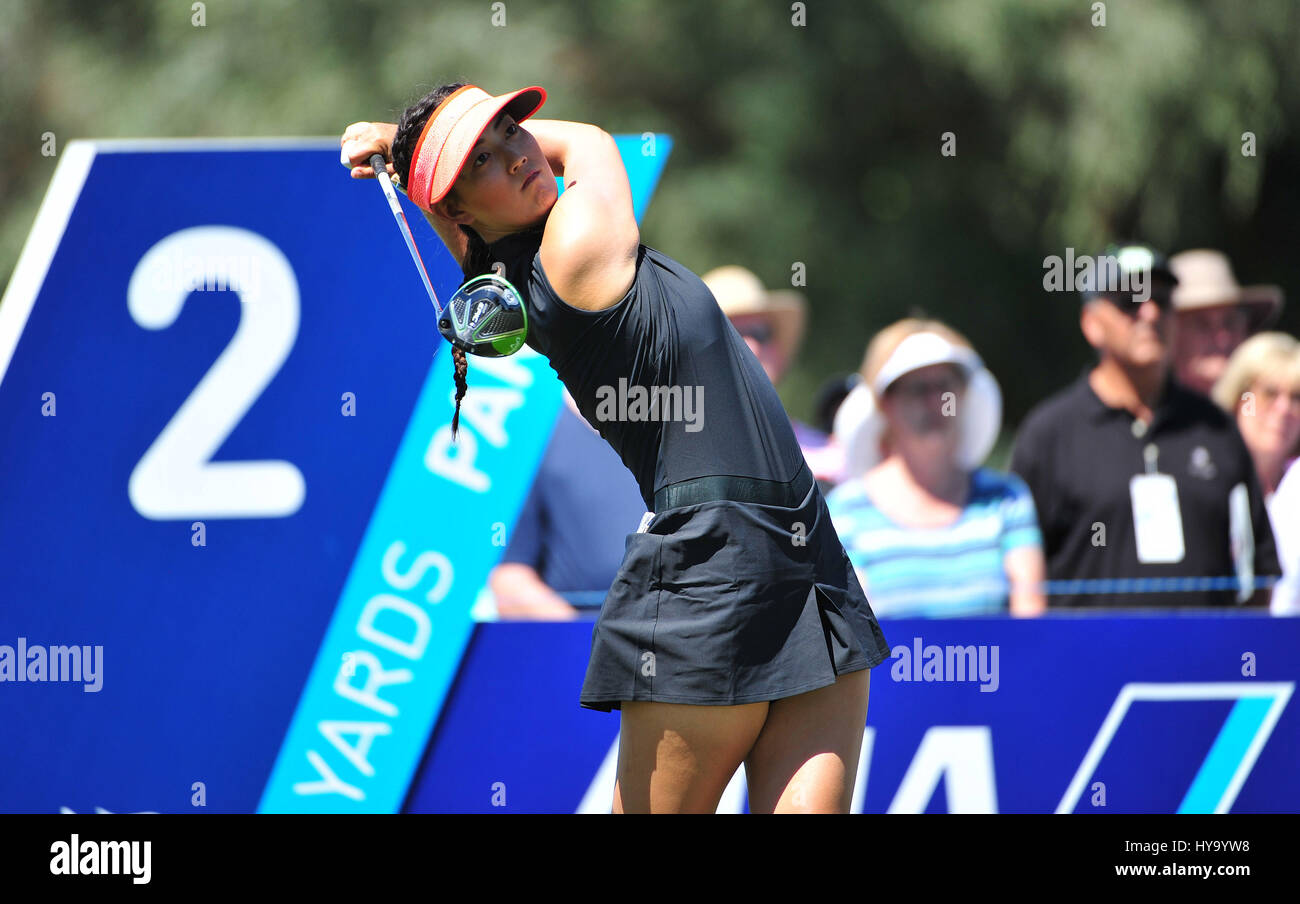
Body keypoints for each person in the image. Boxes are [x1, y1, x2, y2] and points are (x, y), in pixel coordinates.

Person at [339, 82, 890, 813]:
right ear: (460, 211)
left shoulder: (511, 277)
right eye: (482, 164)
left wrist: (420, 155)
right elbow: (592, 141)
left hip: (804, 554)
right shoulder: (573, 246)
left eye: (511, 133)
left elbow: (505, 202)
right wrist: (403, 145)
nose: (518, 157)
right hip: (713, 563)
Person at [1010, 243, 1280, 608]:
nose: (1149, 313)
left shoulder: (1217, 430)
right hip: (1088, 661)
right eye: (1129, 300)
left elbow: (1258, 573)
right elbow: (1022, 584)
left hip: (1206, 662)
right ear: (1092, 324)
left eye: (1163, 299)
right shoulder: (1050, 435)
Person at [827, 319, 1046, 617]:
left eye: (944, 386)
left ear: (964, 395)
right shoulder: (846, 511)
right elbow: (854, 636)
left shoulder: (1006, 499)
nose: (934, 402)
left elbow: (1030, 622)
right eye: (918, 389)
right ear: (885, 404)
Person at [488, 388, 648, 619]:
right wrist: (593, 643)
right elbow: (508, 580)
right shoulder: (527, 433)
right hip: (585, 643)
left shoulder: (690, 418)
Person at [701, 265, 843, 492]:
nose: (753, 348)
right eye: (733, 335)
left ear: (777, 349)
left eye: (761, 333)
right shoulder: (672, 460)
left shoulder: (834, 458)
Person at [1210, 333, 1300, 614]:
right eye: (1270, 393)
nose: (1284, 409)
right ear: (1237, 398)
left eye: (1297, 397)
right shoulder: (1201, 480)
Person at [1169, 249, 1283, 396]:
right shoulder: (1145, 414)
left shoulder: (1275, 410)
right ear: (1169, 334)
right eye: (1202, 324)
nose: (1222, 338)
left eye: (1231, 323)